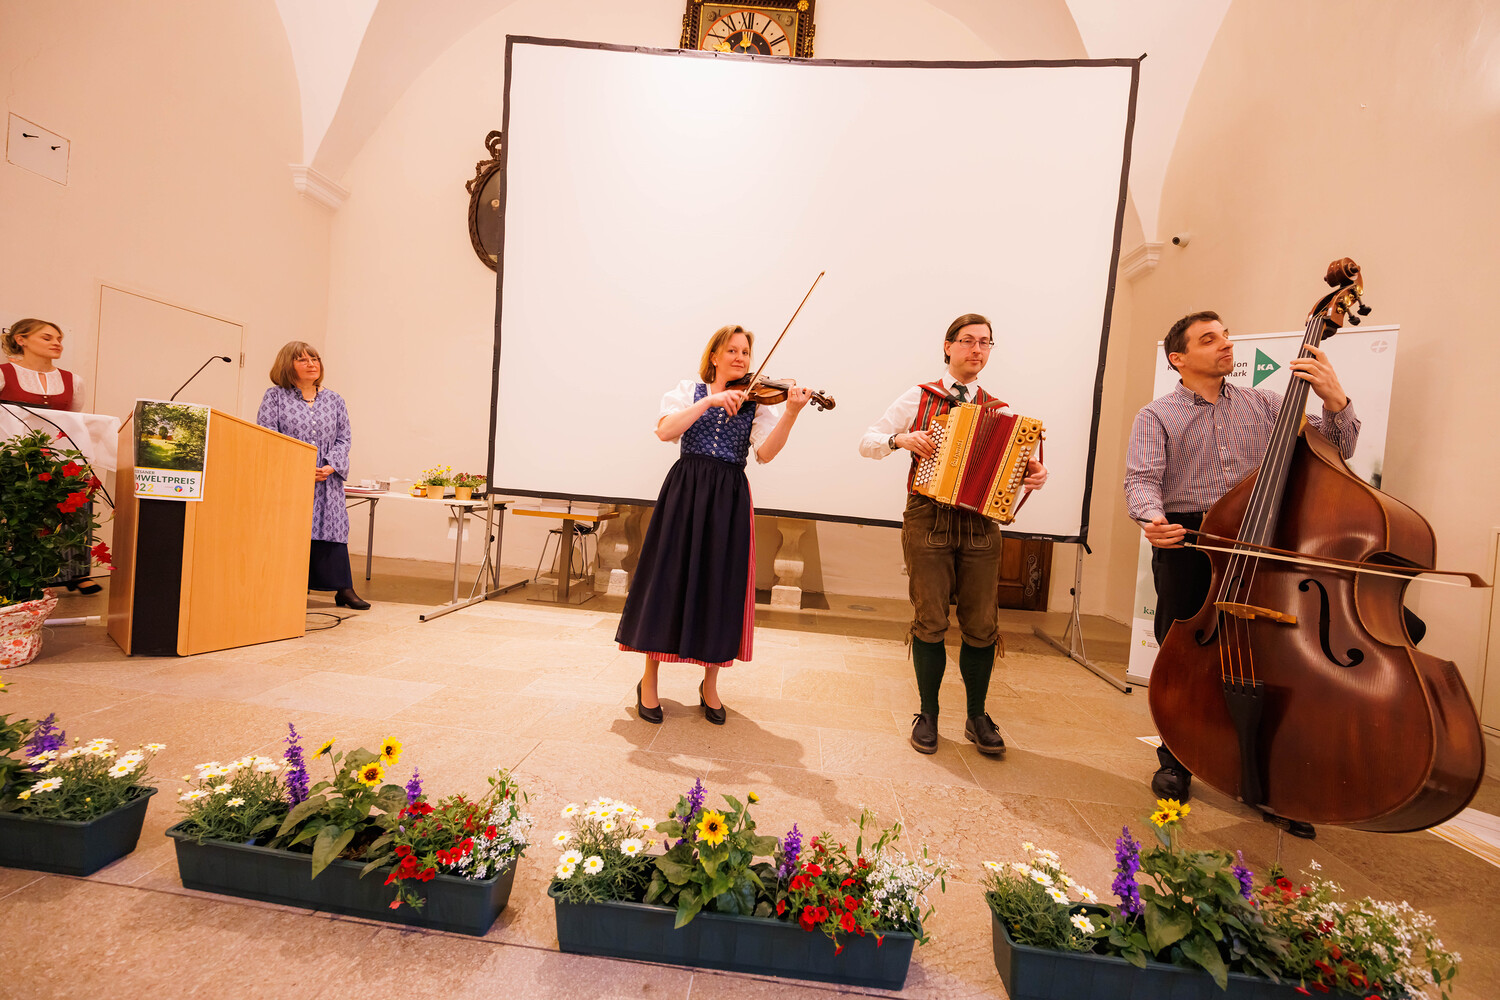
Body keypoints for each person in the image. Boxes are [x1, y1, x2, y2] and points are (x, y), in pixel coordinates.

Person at [1124, 310, 1361, 839]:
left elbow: (1338, 448)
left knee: (1272, 655)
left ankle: (1269, 778)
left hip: (1265, 540)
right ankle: (1177, 759)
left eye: (1226, 335)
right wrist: (1152, 519)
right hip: (1192, 541)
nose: (1226, 344)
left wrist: (1335, 400)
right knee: (1183, 655)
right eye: (1210, 339)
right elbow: (1141, 479)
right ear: (1178, 358)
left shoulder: (1269, 404)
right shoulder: (1157, 414)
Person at [859, 313, 1048, 757]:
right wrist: (901, 441)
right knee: (930, 618)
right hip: (928, 517)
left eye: (985, 342)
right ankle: (928, 714)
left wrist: (1034, 473)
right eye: (967, 341)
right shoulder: (919, 396)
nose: (976, 350)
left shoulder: (1000, 410)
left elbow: (1017, 467)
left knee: (982, 624)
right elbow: (868, 441)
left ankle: (977, 716)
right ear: (948, 347)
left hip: (981, 524)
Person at [616, 324, 812, 725]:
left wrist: (791, 414)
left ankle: (710, 685)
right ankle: (649, 680)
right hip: (685, 491)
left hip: (729, 497)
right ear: (715, 356)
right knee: (667, 581)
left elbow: (766, 453)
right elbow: (665, 431)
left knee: (720, 586)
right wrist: (710, 401)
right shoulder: (688, 391)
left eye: (746, 352)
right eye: (732, 350)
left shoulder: (758, 402)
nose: (741, 358)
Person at [255, 341, 369, 610]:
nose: (311, 364)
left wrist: (331, 465)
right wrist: (300, 468)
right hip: (290, 479)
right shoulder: (274, 397)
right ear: (288, 365)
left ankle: (343, 589)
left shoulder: (334, 399)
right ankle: (289, 586)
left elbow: (344, 438)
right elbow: (268, 435)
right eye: (303, 360)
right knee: (292, 531)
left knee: (332, 529)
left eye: (315, 359)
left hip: (327, 479)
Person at [1, 318, 100, 594]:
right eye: (47, 338)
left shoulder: (72, 380)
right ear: (21, 339)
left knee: (74, 510)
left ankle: (75, 573)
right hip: (17, 457)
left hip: (61, 457)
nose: (57, 343)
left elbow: (73, 418)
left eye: (59, 339)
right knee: (23, 515)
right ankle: (23, 576)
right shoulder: (4, 374)